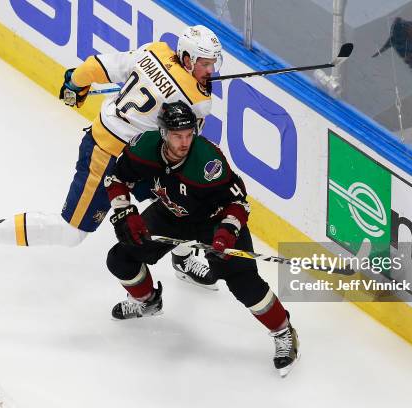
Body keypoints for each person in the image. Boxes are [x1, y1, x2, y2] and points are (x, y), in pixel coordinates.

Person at [0, 25, 223, 289]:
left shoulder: (154, 51)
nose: (211, 71)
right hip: (107, 154)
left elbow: (94, 67)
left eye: (214, 64)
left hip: (139, 158)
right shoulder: (199, 101)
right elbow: (182, 141)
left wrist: (74, 83)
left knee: (181, 207)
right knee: (71, 233)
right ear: (187, 59)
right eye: (205, 64)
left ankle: (183, 260)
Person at [104, 101, 300, 377]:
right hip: (171, 213)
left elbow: (239, 204)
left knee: (244, 282)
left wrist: (227, 232)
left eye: (188, 134)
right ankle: (147, 302)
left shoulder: (208, 162)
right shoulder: (144, 147)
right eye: (177, 135)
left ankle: (283, 331)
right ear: (162, 133)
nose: (184, 142)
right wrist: (124, 213)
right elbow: (115, 177)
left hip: (215, 223)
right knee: (120, 258)